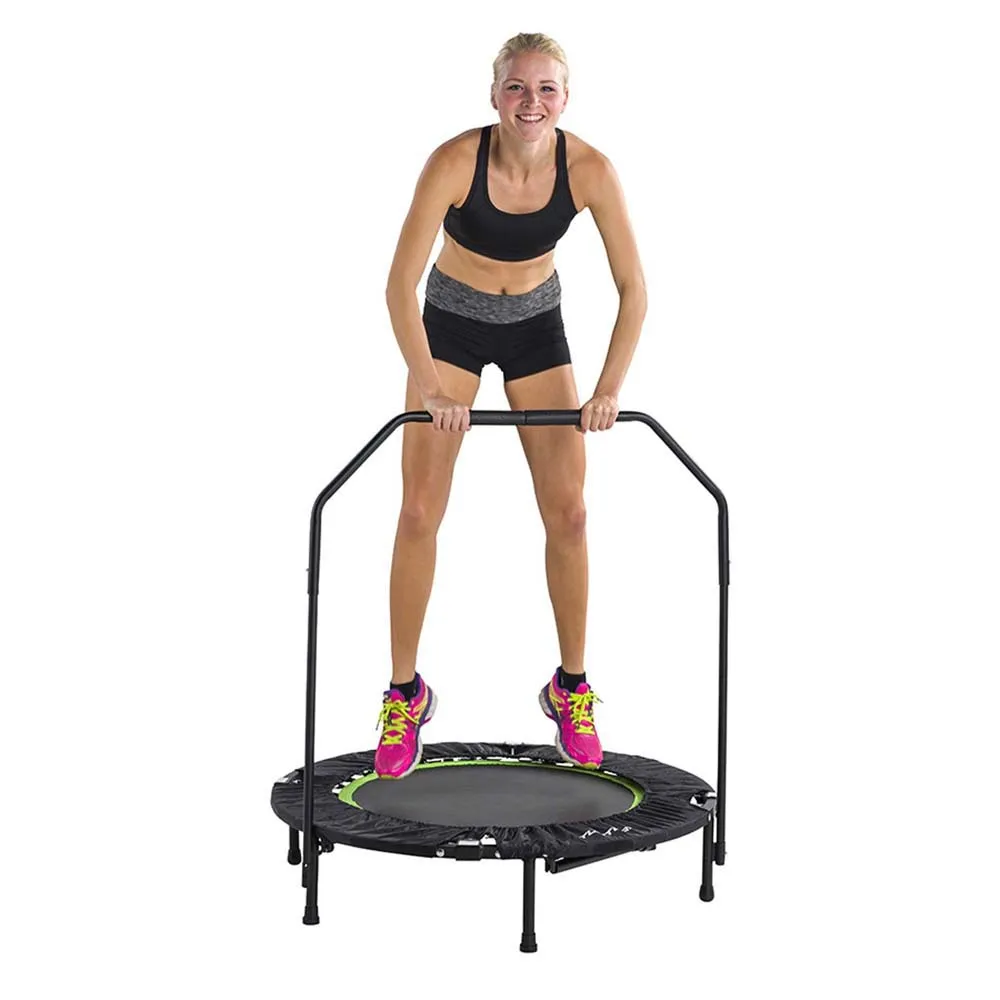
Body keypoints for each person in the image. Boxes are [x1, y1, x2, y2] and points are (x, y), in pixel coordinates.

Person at [377, 32, 646, 779]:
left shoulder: (589, 170)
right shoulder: (454, 161)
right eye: (518, 88)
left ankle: (571, 688)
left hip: (535, 328)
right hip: (450, 324)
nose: (532, 103)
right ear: (495, 94)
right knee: (418, 511)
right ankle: (404, 694)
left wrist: (608, 389)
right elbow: (398, 287)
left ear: (565, 99)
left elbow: (635, 290)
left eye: (546, 89)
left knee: (571, 513)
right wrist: (432, 387)